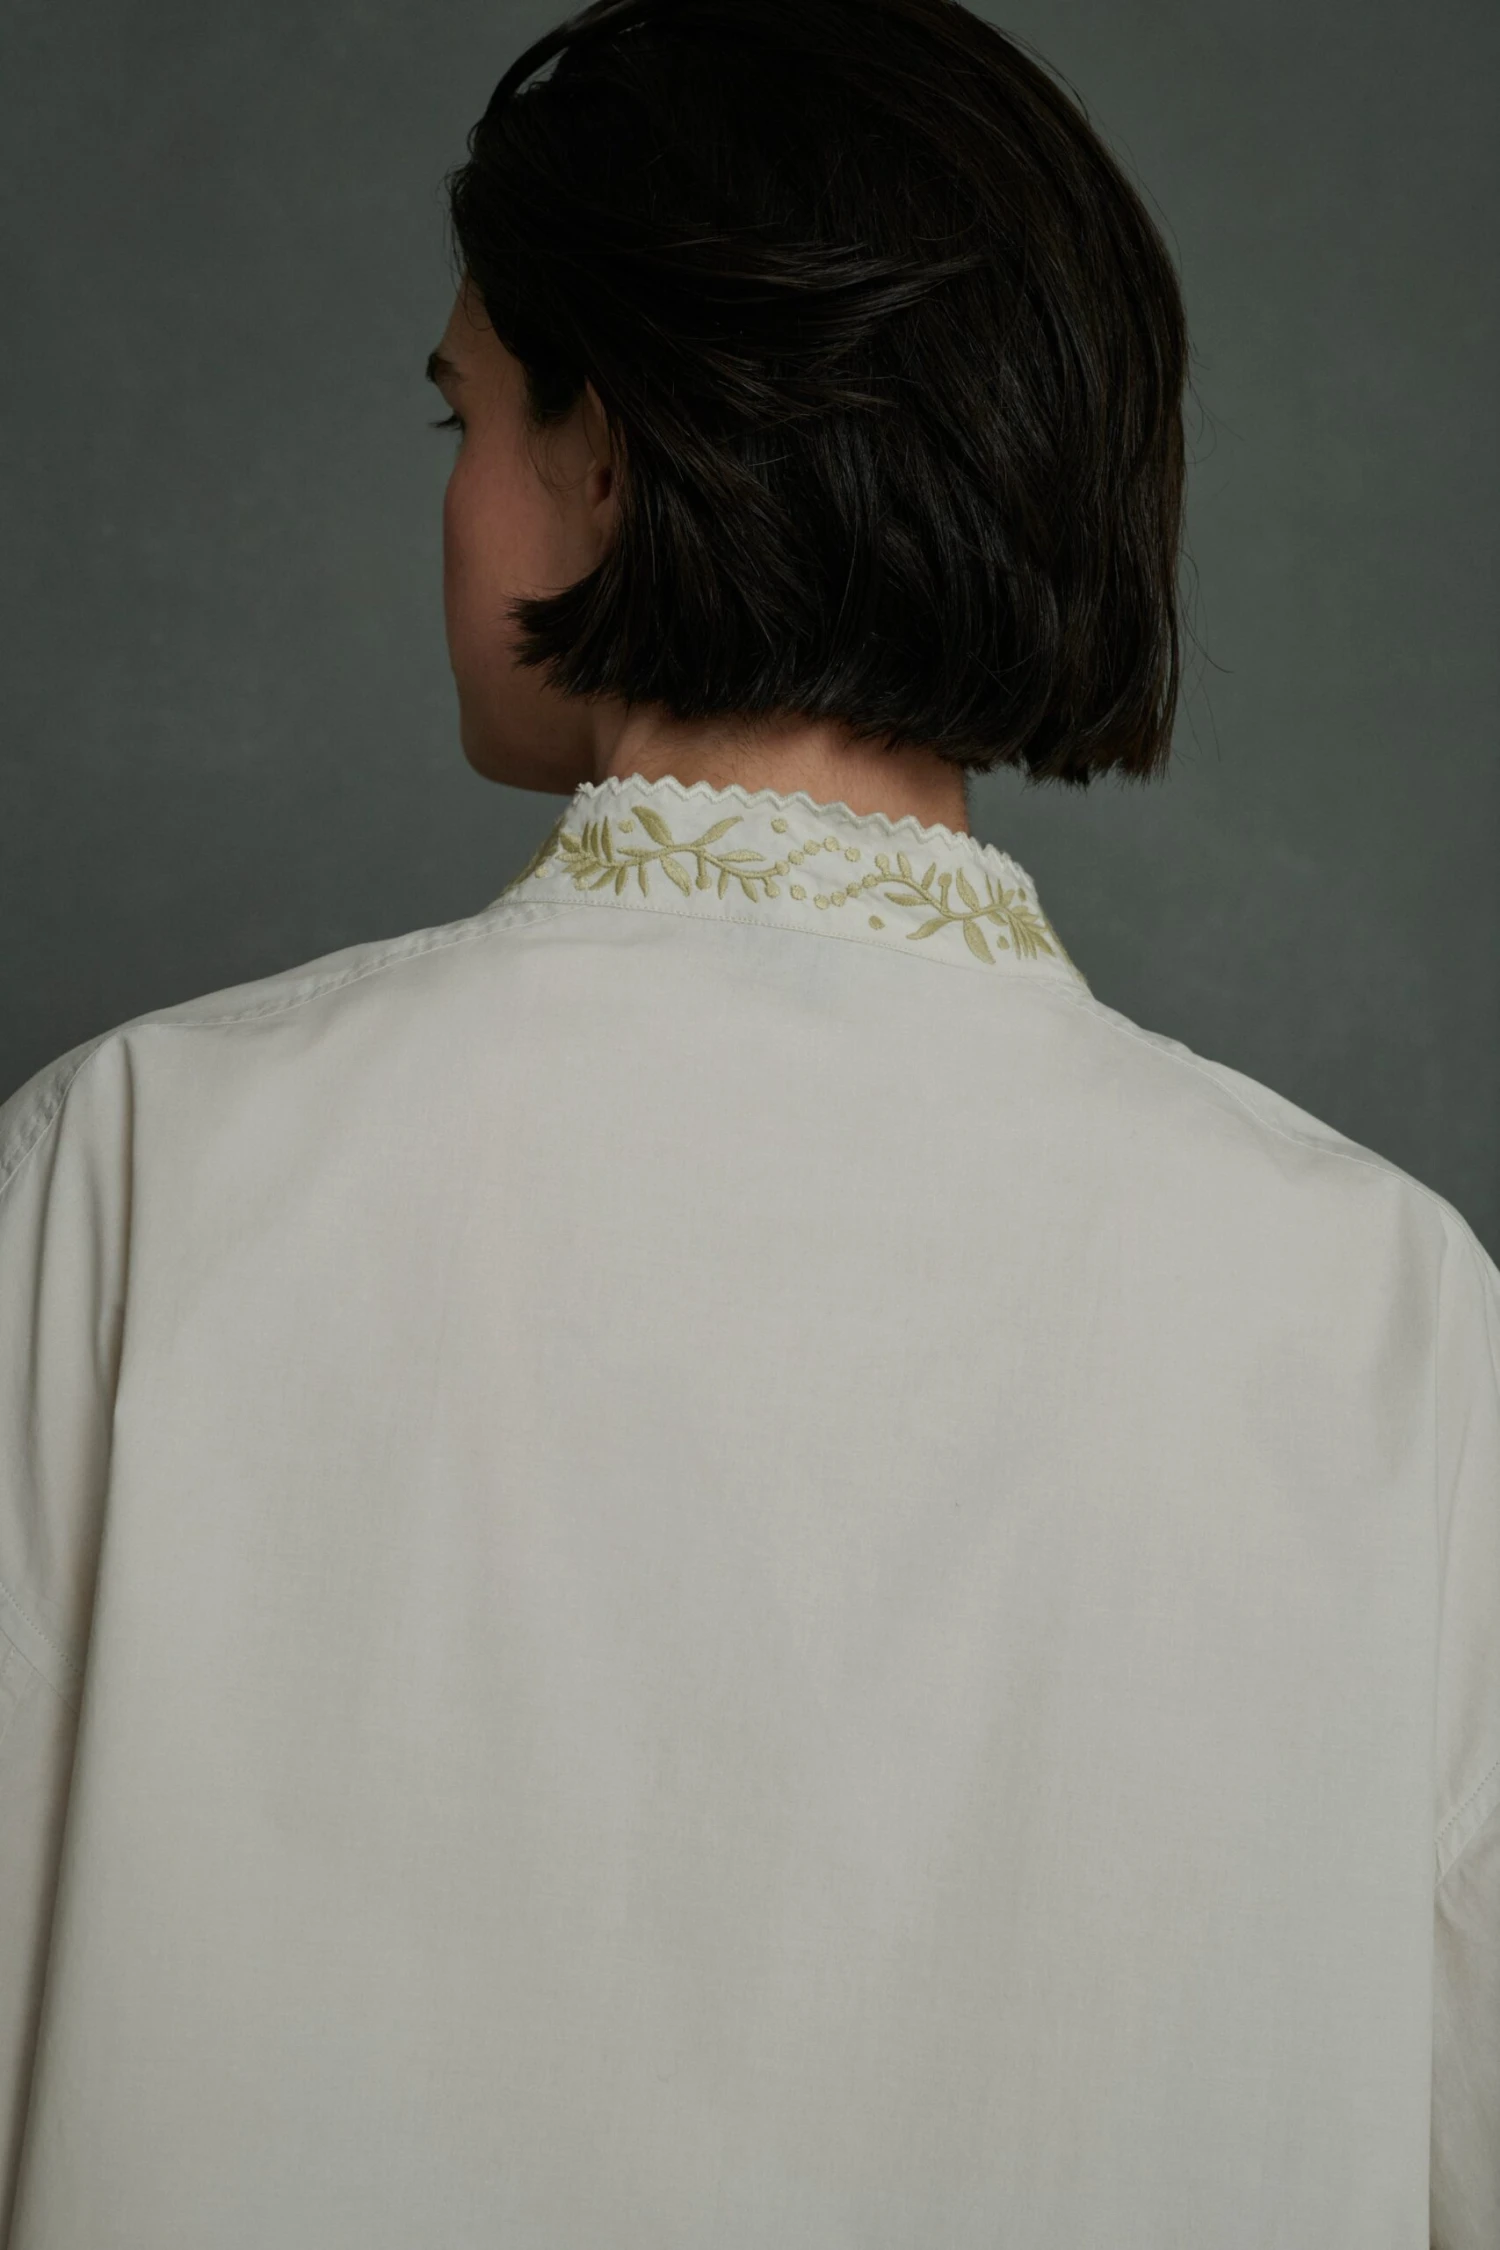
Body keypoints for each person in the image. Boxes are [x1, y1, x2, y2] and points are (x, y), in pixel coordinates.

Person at [0, 0, 1494, 2240]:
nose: (449, 489)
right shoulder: (1390, 1316)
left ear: (611, 453)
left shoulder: (137, 1178)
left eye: (467, 412)